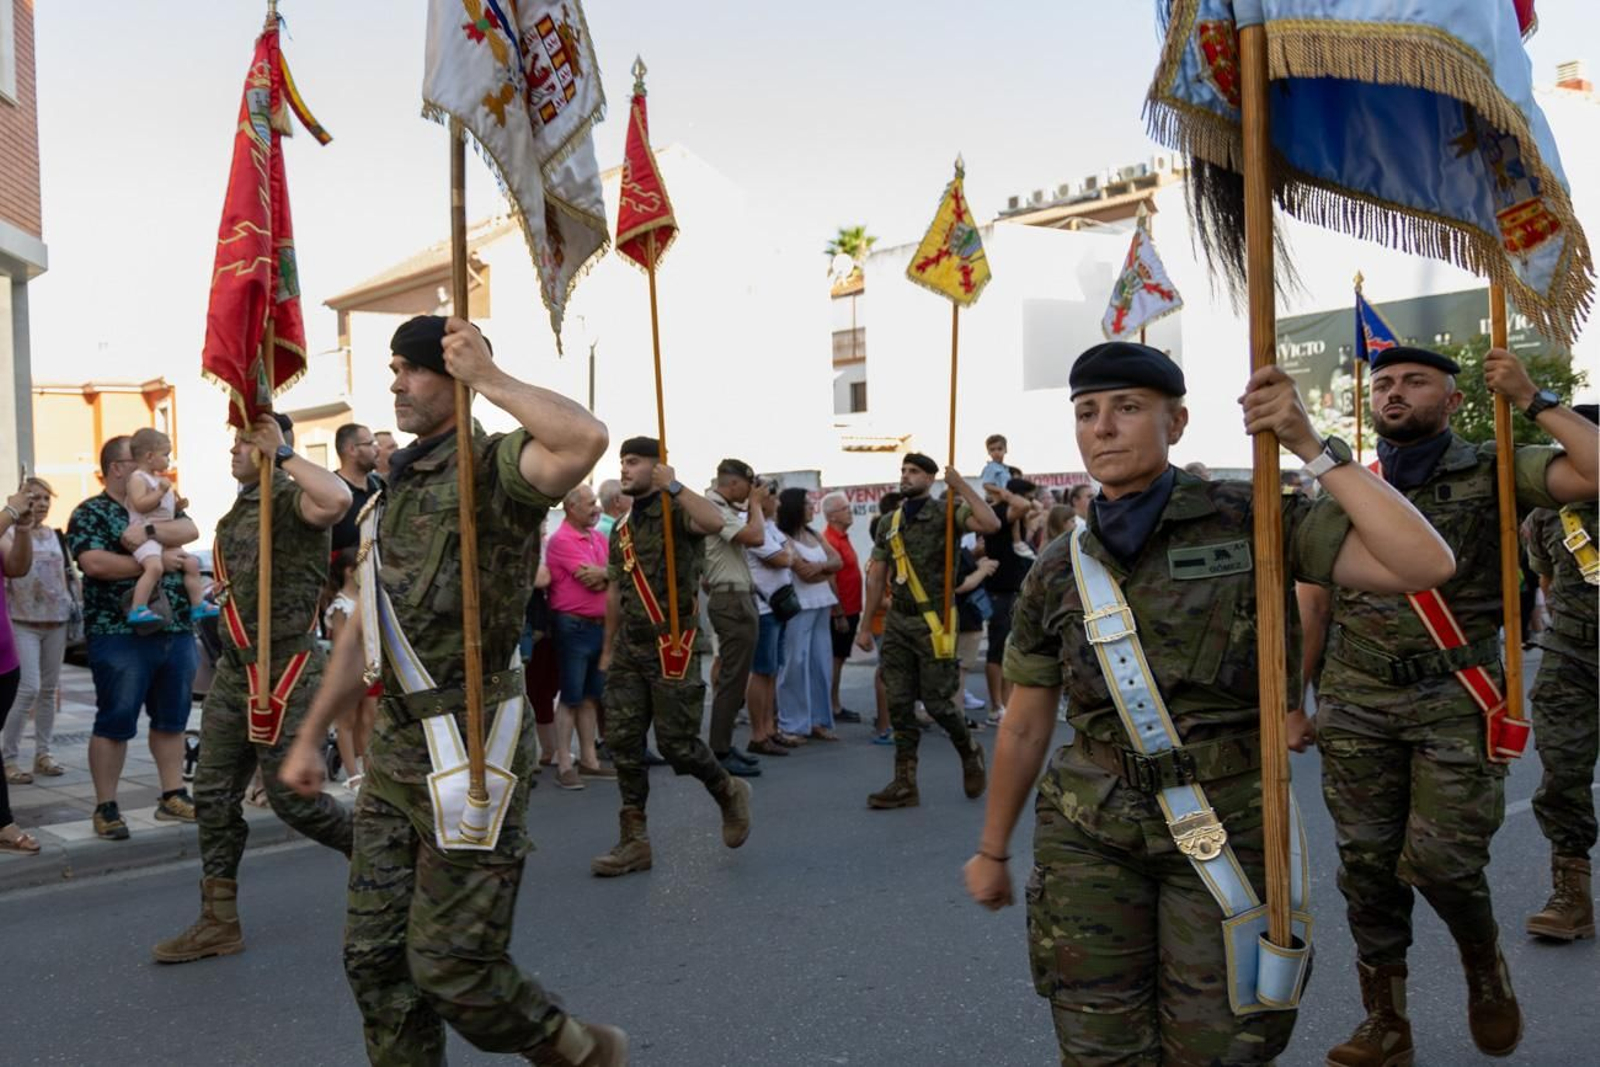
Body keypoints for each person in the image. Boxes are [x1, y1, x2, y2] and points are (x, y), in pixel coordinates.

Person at [964, 341, 1455, 1065]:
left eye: (1127, 408)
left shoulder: (1250, 517)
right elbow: (1029, 719)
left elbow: (1424, 562)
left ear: (1178, 421)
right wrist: (991, 846)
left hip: (1227, 823)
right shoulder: (1056, 567)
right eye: (1087, 412)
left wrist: (1308, 444)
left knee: (1223, 1044)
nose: (1103, 427)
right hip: (1088, 829)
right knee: (1099, 1046)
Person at [279, 315, 624, 1065]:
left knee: (453, 968)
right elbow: (363, 629)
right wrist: (310, 737)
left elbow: (584, 440)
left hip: (470, 745)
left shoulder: (495, 469)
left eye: (413, 368)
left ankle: (575, 1047)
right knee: (374, 961)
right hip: (398, 749)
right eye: (394, 367)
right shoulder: (386, 493)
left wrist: (491, 379)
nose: (397, 382)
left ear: (455, 375)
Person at [1296, 346, 1599, 1066]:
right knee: (1365, 867)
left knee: (1442, 861)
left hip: (1455, 695)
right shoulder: (1345, 484)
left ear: (1454, 398)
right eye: (1384, 384)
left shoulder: (1496, 466)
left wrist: (1532, 397)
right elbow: (1314, 601)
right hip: (1356, 695)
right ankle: (1386, 1021)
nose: (1394, 392)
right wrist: (1292, 699)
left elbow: (1593, 470)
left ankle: (1481, 960)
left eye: (1414, 381)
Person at [152, 412, 356, 964]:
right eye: (236, 440)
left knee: (295, 802)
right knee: (214, 796)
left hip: (287, 670)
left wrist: (283, 453)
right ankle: (218, 920)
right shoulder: (238, 510)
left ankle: (380, 857)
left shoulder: (291, 498)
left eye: (246, 441)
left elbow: (337, 501)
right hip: (236, 672)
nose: (235, 449)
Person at [590, 437, 752, 879]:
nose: (625, 469)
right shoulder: (621, 527)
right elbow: (615, 592)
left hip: (671, 643)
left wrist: (676, 487)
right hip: (630, 645)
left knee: (678, 745)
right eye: (623, 461)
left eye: (635, 461)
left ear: (657, 468)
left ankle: (726, 790)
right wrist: (608, 646)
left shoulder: (678, 511)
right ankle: (634, 841)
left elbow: (715, 520)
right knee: (623, 741)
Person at [69, 435, 203, 840]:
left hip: (176, 627)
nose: (153, 466)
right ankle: (106, 806)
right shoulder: (90, 512)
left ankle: (173, 794)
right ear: (118, 468)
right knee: (115, 720)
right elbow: (94, 563)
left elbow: (191, 527)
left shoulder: (161, 502)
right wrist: (156, 558)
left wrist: (146, 529)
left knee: (172, 718)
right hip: (118, 632)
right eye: (141, 461)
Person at [852, 453, 1000, 808]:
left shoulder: (947, 512)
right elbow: (876, 576)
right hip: (899, 622)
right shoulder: (890, 521)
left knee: (937, 703)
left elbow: (990, 523)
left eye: (914, 471)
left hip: (935, 622)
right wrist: (865, 624)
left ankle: (969, 751)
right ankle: (905, 782)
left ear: (931, 478)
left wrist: (961, 485)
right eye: (903, 470)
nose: (906, 475)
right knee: (899, 702)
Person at [1522, 403, 1599, 942]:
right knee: (1563, 775)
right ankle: (1571, 893)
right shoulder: (1547, 514)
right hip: (1572, 657)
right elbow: (1545, 582)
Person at [2, 478, 76, 783]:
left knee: (48, 690)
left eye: (46, 498)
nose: (42, 504)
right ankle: (8, 758)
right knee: (27, 688)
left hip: (56, 619)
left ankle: (43, 753)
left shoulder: (55, 535)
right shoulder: (7, 533)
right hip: (22, 621)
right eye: (34, 498)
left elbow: (67, 575)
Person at [544, 484, 616, 791]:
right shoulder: (561, 540)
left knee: (590, 696)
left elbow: (609, 575)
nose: (596, 508)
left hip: (599, 625)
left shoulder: (598, 537)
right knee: (571, 696)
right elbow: (590, 579)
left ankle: (589, 760)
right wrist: (607, 574)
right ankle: (564, 762)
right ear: (571, 507)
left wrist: (606, 574)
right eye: (590, 503)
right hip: (572, 627)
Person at [702, 459, 767, 776]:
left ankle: (723, 745)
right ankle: (719, 749)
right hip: (731, 600)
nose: (750, 492)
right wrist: (756, 505)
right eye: (747, 485)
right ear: (733, 484)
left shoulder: (719, 507)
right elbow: (756, 537)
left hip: (735, 596)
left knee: (736, 677)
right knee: (732, 679)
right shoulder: (713, 508)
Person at [123, 428, 212, 625]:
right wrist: (160, 492)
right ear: (149, 456)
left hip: (163, 534)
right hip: (144, 532)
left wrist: (178, 505)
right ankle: (138, 608)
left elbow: (166, 511)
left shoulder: (157, 479)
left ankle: (198, 605)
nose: (169, 460)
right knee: (154, 567)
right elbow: (140, 504)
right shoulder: (138, 478)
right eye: (166, 455)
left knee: (191, 563)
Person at [776, 488, 842, 743]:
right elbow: (803, 571)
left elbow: (837, 562)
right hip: (799, 606)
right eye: (807, 503)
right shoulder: (783, 536)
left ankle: (818, 720)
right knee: (795, 664)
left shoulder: (814, 534)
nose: (812, 507)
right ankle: (792, 723)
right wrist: (823, 569)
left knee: (820, 664)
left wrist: (820, 568)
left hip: (821, 604)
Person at [0, 482, 43, 855]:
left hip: (3, 662)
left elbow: (15, 566)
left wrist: (24, 530)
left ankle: (2, 822)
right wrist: (11, 513)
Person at [978, 478, 1038, 727]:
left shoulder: (1014, 520)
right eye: (1028, 495)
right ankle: (996, 706)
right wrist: (1002, 493)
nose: (1032, 501)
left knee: (1009, 651)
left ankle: (1007, 702)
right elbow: (1023, 505)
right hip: (999, 591)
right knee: (997, 649)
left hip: (1013, 590)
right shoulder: (1000, 512)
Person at [744, 487, 792, 758]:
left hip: (778, 608)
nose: (779, 501)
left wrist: (786, 551)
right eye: (773, 496)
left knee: (772, 670)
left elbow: (788, 552)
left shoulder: (771, 527)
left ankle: (770, 728)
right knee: (761, 671)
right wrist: (786, 551)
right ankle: (758, 734)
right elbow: (784, 557)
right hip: (764, 609)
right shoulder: (755, 526)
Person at [323, 547, 372, 788]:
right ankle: (353, 774)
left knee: (369, 720)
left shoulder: (367, 598)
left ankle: (368, 769)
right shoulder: (341, 604)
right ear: (349, 571)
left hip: (370, 667)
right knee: (347, 721)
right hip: (348, 669)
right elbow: (343, 642)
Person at [820, 491, 864, 725]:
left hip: (851, 608)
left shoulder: (842, 538)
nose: (850, 511)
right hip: (841, 611)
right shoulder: (830, 540)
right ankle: (832, 705)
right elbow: (831, 580)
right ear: (833, 516)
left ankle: (833, 702)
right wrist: (838, 613)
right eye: (845, 508)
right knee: (835, 659)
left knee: (839, 658)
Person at [329, 422, 383, 554]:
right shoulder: (331, 491)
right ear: (352, 449)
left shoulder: (380, 487)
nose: (378, 450)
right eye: (371, 444)